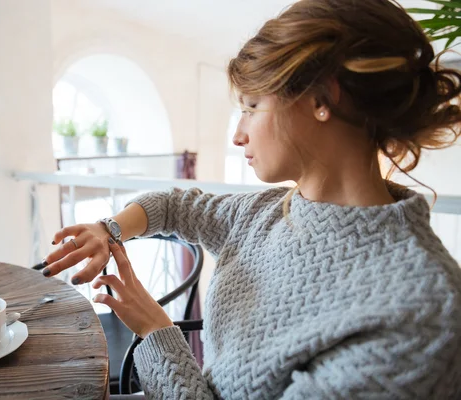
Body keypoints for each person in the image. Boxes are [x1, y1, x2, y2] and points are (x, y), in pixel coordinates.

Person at [39, 0, 461, 398]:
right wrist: (107, 229)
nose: (238, 134)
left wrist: (155, 330)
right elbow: (174, 205)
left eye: (252, 105)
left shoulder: (418, 312)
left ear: (322, 100)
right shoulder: (264, 213)